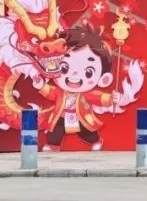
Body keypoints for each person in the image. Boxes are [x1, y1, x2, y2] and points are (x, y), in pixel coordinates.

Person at [32, 23, 119, 151]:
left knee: (87, 132)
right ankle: (53, 146)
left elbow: (98, 97)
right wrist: (40, 84)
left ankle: (96, 141)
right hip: (61, 115)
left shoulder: (86, 94)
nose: (74, 75)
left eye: (88, 72)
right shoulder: (60, 92)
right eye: (64, 67)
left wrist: (111, 98)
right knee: (55, 131)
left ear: (103, 79)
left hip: (81, 116)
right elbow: (50, 92)